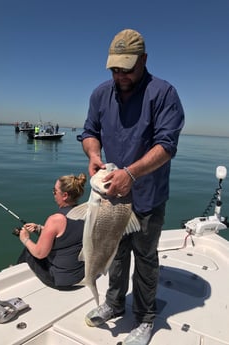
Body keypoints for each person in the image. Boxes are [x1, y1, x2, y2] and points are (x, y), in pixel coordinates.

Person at [80, 29, 185, 345]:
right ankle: (113, 303)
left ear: (144, 60)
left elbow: (166, 145)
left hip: (148, 196)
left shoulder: (164, 94)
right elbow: (89, 132)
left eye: (127, 68)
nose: (120, 75)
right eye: (115, 68)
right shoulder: (101, 94)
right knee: (115, 253)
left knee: (145, 256)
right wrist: (95, 155)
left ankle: (145, 318)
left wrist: (132, 174)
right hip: (110, 196)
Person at [18, 173, 87, 290]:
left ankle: (17, 277)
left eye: (55, 191)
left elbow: (40, 253)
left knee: (28, 251)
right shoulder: (86, 214)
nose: (53, 194)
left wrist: (25, 238)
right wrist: (40, 229)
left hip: (63, 281)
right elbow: (67, 235)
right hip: (82, 276)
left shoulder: (55, 220)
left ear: (64, 195)